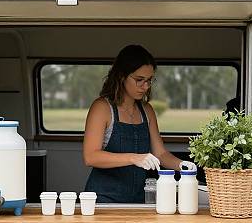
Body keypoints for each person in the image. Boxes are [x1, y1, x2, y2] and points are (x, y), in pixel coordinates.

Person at [83, 44, 196, 203]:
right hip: (103, 198)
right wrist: (133, 158)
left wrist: (182, 165)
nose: (146, 86)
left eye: (149, 80)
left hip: (139, 198)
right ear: (121, 76)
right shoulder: (102, 108)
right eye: (139, 80)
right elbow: (91, 157)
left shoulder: (147, 110)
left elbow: (161, 154)